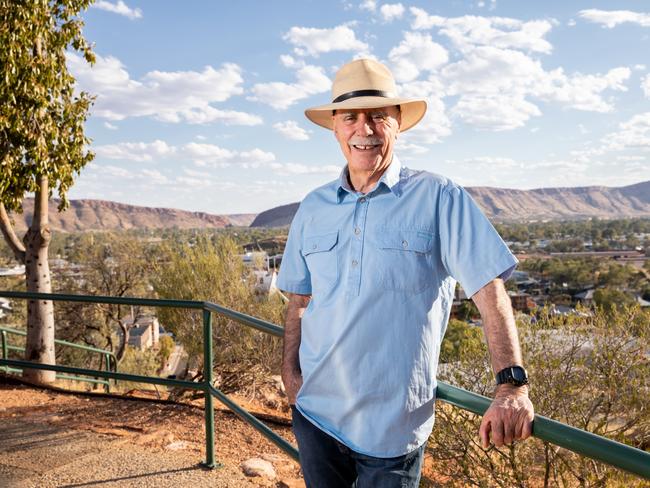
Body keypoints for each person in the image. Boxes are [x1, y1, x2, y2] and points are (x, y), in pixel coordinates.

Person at [277, 58, 534, 488]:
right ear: (335, 127)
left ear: (397, 123)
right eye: (351, 117)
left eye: (378, 116)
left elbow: (490, 291)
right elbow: (299, 301)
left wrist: (511, 385)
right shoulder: (312, 206)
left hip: (392, 432)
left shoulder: (438, 196)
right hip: (316, 415)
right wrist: (290, 373)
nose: (365, 129)